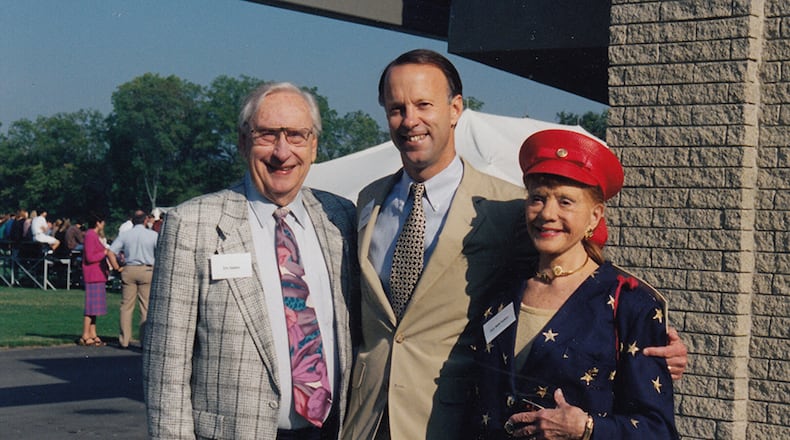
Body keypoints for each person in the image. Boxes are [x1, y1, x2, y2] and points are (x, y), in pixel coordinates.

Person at [342, 49, 687, 440]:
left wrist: (655, 348)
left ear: (455, 109)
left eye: (424, 104)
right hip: (366, 421)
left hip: (445, 422)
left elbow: (582, 285)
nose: (410, 120)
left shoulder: (508, 209)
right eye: (396, 108)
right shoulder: (368, 202)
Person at [143, 82, 359, 440]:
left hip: (330, 432)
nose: (282, 152)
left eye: (296, 135)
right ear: (243, 142)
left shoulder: (340, 217)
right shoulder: (193, 225)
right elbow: (166, 366)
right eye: (267, 135)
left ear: (314, 146)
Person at [473, 129, 678, 439]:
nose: (547, 214)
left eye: (565, 202)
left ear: (595, 216)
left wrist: (587, 429)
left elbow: (658, 430)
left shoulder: (631, 303)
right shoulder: (503, 290)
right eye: (537, 198)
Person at [109, 209, 158, 349]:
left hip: (129, 269)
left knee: (126, 306)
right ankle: (145, 340)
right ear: (146, 220)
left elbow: (110, 252)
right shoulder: (153, 235)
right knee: (146, 307)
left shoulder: (125, 235)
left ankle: (124, 340)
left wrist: (117, 267)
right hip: (147, 269)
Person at [80, 212, 119, 347]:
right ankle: (85, 334)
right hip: (93, 275)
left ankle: (93, 333)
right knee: (91, 307)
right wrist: (104, 253)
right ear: (98, 222)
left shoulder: (93, 235)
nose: (104, 224)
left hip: (98, 275)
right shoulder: (90, 235)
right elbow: (90, 257)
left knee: (95, 308)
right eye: (103, 222)